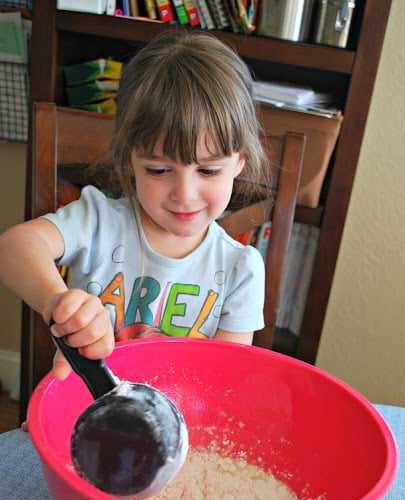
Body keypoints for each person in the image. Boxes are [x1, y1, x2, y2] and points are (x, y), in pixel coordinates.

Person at [0, 30, 268, 384]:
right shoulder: (97, 221)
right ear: (130, 159)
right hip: (83, 412)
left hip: (182, 429)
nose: (184, 194)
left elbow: (223, 383)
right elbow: (14, 246)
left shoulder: (240, 269)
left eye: (208, 170)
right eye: (158, 170)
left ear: (239, 163)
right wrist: (56, 301)